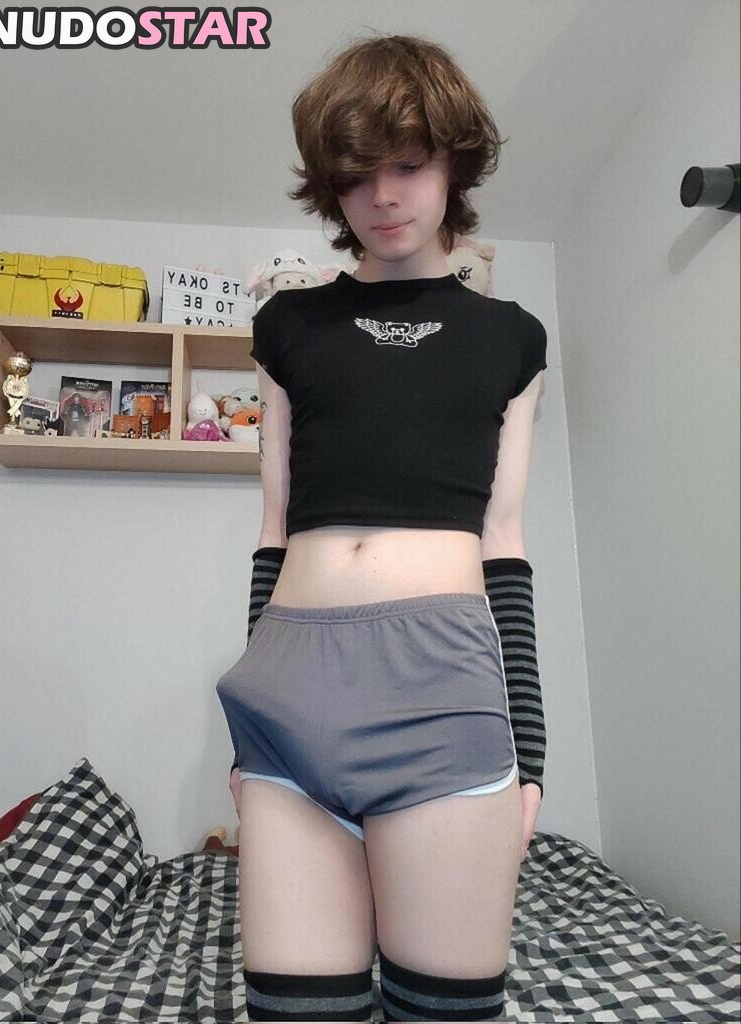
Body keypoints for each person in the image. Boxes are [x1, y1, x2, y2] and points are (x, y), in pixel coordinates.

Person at [216, 32, 547, 1023]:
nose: (383, 196)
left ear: (453, 164)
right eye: (356, 174)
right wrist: (248, 723)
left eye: (406, 165)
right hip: (288, 686)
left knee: (442, 1009)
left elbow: (504, 540)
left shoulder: (511, 338)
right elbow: (273, 527)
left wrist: (529, 752)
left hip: (442, 687)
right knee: (295, 1011)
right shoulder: (286, 328)